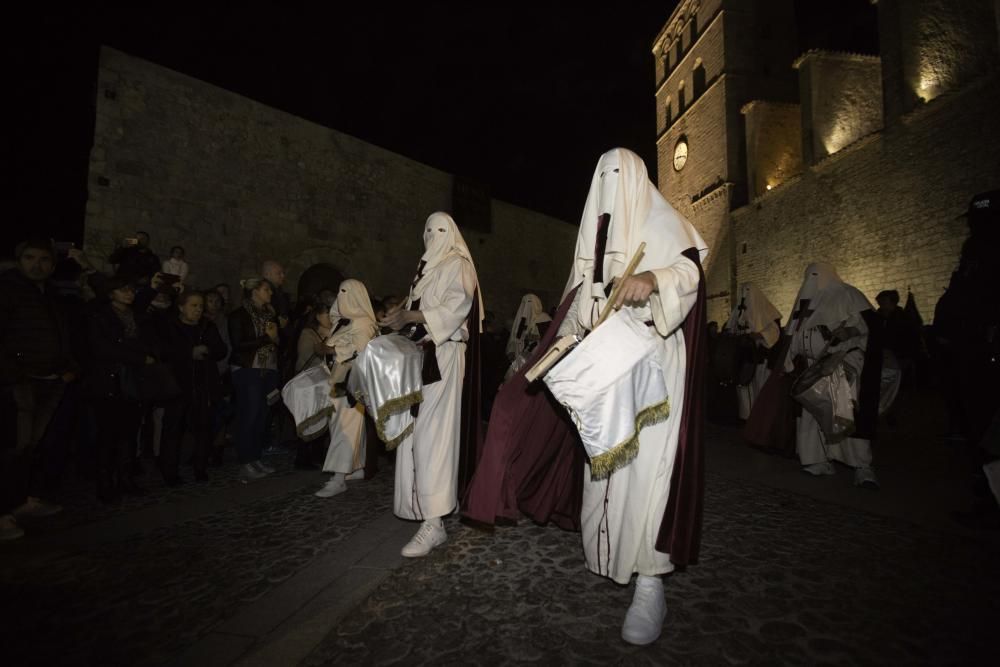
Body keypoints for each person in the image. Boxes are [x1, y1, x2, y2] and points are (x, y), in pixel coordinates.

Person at [546, 148, 708, 645]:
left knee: (648, 475)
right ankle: (609, 553)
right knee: (608, 467)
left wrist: (651, 279)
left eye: (619, 176)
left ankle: (650, 581)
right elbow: (579, 299)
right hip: (605, 375)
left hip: (652, 367)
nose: (610, 185)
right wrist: (562, 342)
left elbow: (689, 272)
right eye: (603, 177)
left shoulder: (664, 225)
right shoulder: (592, 240)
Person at [380, 212, 483, 557]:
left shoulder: (458, 264)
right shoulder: (425, 270)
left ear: (450, 233)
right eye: (427, 230)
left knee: (433, 436)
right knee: (413, 435)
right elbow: (416, 315)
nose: (432, 235)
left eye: (439, 230)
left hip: (444, 356)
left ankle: (435, 523)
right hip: (420, 358)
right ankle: (420, 509)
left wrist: (410, 315)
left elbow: (455, 307)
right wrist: (399, 320)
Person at [0, 238, 78, 540]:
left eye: (44, 259)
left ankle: (21, 500)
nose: (37, 264)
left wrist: (69, 367)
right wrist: (14, 375)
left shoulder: (50, 294)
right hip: (21, 381)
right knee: (12, 445)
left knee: (31, 445)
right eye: (30, 257)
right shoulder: (8, 291)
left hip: (52, 379)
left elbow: (62, 334)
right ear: (20, 260)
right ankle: (3, 512)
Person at [784, 262, 882, 489]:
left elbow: (869, 328)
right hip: (811, 368)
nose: (812, 279)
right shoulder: (804, 301)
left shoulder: (848, 295)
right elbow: (794, 332)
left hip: (840, 363)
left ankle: (862, 466)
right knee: (812, 414)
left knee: (843, 413)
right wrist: (788, 359)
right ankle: (816, 460)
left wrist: (850, 332)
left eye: (816, 275)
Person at [86, 275, 159, 502]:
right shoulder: (101, 316)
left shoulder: (137, 316)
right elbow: (102, 347)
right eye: (123, 290)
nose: (129, 294)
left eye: (130, 290)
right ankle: (105, 482)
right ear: (111, 293)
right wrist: (138, 357)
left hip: (133, 381)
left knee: (129, 433)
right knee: (108, 434)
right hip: (110, 380)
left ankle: (125, 478)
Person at [315, 279, 379, 498]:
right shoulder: (344, 321)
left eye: (346, 292)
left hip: (352, 381)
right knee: (344, 425)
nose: (341, 297)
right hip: (338, 378)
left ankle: (338, 477)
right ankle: (356, 467)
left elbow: (363, 353)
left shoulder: (362, 322)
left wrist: (334, 350)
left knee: (345, 426)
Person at [157, 291, 228, 484]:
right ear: (181, 307)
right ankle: (169, 471)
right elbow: (162, 351)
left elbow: (221, 350)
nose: (198, 310)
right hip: (178, 385)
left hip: (204, 385)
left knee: (204, 427)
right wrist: (188, 353)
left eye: (200, 306)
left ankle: (200, 467)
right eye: (193, 306)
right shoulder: (171, 327)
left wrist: (208, 350)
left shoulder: (207, 326)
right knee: (173, 429)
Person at [228, 277, 281, 481]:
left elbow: (277, 341)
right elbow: (239, 344)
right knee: (249, 414)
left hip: (268, 369)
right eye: (266, 289)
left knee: (262, 415)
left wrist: (275, 337)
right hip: (247, 369)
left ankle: (255, 457)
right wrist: (267, 338)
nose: (270, 293)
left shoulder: (269, 315)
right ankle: (245, 461)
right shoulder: (238, 315)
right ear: (254, 292)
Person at [723, 283, 782, 420]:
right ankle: (746, 421)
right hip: (742, 361)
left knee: (761, 393)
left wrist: (757, 335)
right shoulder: (738, 313)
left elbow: (773, 335)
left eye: (748, 291)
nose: (745, 295)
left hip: (760, 361)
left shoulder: (767, 313)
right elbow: (731, 329)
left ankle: (760, 423)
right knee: (743, 393)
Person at [504, 294, 551, 379]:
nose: (526, 308)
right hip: (519, 358)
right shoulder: (521, 320)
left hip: (535, 359)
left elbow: (548, 339)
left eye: (529, 303)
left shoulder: (545, 319)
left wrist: (536, 338)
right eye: (524, 304)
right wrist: (512, 349)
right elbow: (515, 337)